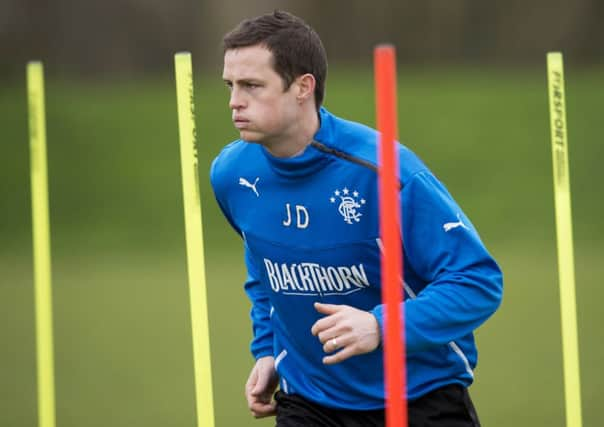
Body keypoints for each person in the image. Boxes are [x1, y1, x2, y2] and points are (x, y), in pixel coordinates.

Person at [210, 10, 502, 427]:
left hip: (417, 395)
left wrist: (380, 326)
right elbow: (263, 267)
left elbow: (478, 282)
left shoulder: (384, 172)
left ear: (302, 88)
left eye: (252, 86)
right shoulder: (230, 175)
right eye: (231, 85)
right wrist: (269, 351)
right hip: (309, 400)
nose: (234, 101)